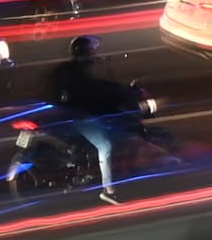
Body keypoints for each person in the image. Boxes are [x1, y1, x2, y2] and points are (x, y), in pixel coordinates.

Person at [44, 33, 141, 193]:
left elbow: (98, 86)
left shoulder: (71, 69)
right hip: (77, 116)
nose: (93, 55)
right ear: (85, 52)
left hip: (70, 113)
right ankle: (108, 190)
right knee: (105, 145)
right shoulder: (75, 72)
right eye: (91, 52)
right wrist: (120, 93)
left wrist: (118, 89)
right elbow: (93, 90)